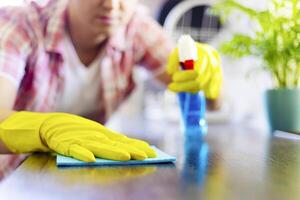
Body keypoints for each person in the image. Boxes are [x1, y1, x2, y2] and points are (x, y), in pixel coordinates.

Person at [0, 0, 222, 180]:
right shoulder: (22, 25)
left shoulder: (134, 28)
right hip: (14, 180)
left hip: (82, 177)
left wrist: (207, 80)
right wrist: (44, 128)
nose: (112, 4)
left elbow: (207, 99)